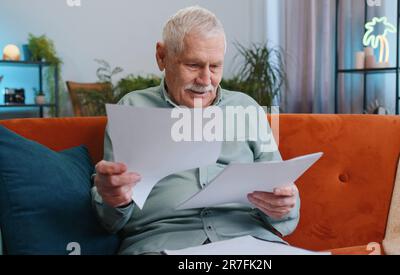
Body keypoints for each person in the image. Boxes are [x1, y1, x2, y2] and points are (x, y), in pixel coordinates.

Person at [91, 6, 300, 255]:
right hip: (161, 244)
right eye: (193, 65)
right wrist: (113, 198)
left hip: (250, 241)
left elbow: (282, 198)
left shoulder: (247, 108)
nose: (206, 80)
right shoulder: (133, 108)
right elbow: (109, 218)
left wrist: (284, 204)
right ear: (162, 56)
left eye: (215, 67)